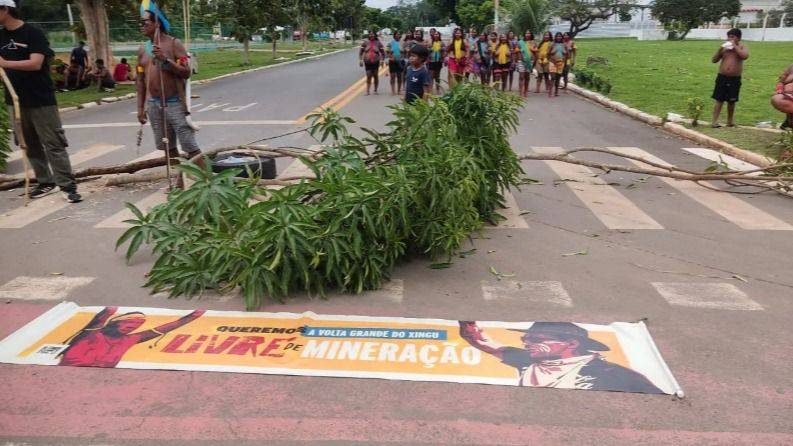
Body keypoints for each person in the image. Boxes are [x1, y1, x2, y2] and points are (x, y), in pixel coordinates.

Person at [0, 0, 82, 202]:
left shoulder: (33, 33)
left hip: (40, 99)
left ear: (5, 9)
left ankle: (68, 186)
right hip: (15, 101)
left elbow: (36, 63)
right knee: (28, 143)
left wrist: (5, 63)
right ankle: (45, 181)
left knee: (53, 142)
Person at [459, 321, 664, 393]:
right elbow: (483, 342)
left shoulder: (611, 373)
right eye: (526, 338)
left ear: (571, 344)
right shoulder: (527, 360)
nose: (526, 342)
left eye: (537, 339)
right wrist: (467, 325)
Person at [137, 8, 205, 189]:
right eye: (140, 23)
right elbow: (140, 80)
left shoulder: (174, 44)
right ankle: (179, 181)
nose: (141, 26)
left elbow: (186, 72)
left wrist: (166, 60)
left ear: (157, 24)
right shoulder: (143, 49)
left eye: (145, 22)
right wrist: (140, 108)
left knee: (190, 145)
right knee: (167, 147)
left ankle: (208, 183)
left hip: (174, 103)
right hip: (153, 105)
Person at [58, 306, 205, 367]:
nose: (132, 326)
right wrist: (109, 311)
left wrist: (192, 316)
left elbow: (163, 328)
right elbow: (98, 320)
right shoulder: (94, 333)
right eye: (129, 322)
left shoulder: (129, 339)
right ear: (115, 323)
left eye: (136, 325)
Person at [711, 28, 748, 128]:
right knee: (719, 99)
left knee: (731, 101)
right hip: (722, 77)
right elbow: (714, 60)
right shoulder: (724, 48)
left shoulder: (742, 47)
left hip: (734, 79)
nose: (729, 39)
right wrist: (720, 49)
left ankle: (730, 121)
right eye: (728, 37)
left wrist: (735, 46)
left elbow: (744, 56)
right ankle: (714, 122)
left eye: (732, 37)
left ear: (739, 38)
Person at [359, 31, 385, 95]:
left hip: (376, 62)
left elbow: (383, 53)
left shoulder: (378, 43)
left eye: (372, 34)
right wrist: (360, 60)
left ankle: (375, 90)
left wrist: (382, 60)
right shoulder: (365, 42)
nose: (371, 36)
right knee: (368, 75)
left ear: (375, 35)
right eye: (370, 34)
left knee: (375, 76)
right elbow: (361, 52)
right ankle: (367, 91)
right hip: (367, 62)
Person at [772, 63, 793, 130]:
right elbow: (781, 81)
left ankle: (789, 122)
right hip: (787, 95)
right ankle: (789, 122)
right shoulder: (791, 67)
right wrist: (779, 89)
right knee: (777, 99)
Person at [548, 32, 567, 97]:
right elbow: (548, 53)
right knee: (553, 77)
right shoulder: (552, 44)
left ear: (562, 37)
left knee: (558, 78)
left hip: (561, 63)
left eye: (560, 36)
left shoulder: (564, 45)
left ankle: (556, 92)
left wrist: (564, 58)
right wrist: (552, 56)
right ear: (555, 37)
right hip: (552, 62)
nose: (559, 37)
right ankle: (550, 92)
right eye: (557, 36)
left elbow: (567, 55)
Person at [516, 31, 536, 98]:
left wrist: (534, 61)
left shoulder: (533, 42)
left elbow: (535, 52)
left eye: (529, 33)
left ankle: (525, 91)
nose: (528, 34)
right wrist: (520, 58)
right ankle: (520, 92)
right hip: (521, 61)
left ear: (531, 34)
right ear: (524, 34)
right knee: (521, 76)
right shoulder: (520, 42)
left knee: (527, 77)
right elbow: (517, 51)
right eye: (526, 33)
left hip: (530, 61)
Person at [385, 31, 404, 96]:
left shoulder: (402, 42)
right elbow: (386, 51)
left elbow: (406, 51)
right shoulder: (391, 43)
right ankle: (393, 91)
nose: (397, 35)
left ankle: (399, 90)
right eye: (396, 34)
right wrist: (389, 55)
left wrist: (403, 50)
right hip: (392, 61)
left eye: (399, 34)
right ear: (394, 35)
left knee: (399, 76)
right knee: (392, 76)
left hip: (400, 61)